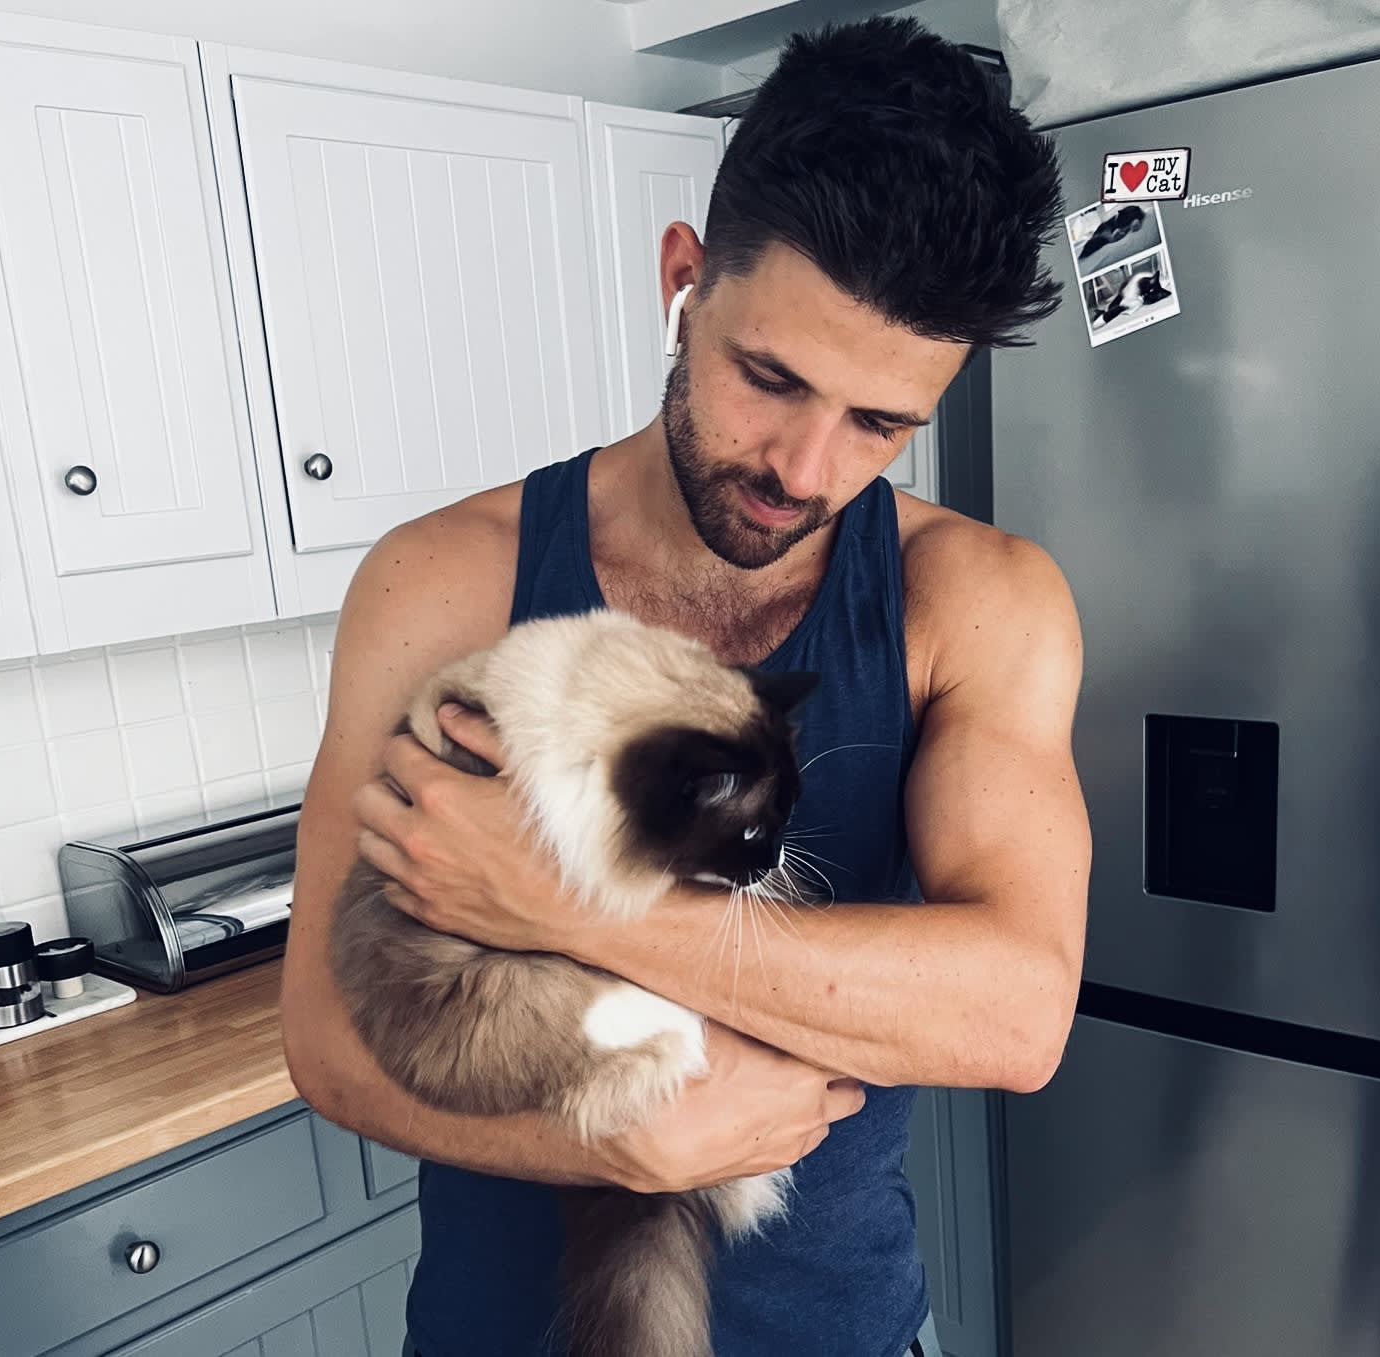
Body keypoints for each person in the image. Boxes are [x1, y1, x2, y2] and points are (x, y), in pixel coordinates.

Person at [281, 15, 1092, 1357]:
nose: (806, 467)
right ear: (683, 281)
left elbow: (1014, 1011)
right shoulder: (440, 583)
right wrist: (613, 1137)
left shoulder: (980, 602)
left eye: (881, 424)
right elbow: (325, 1033)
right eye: (771, 377)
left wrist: (557, 903)